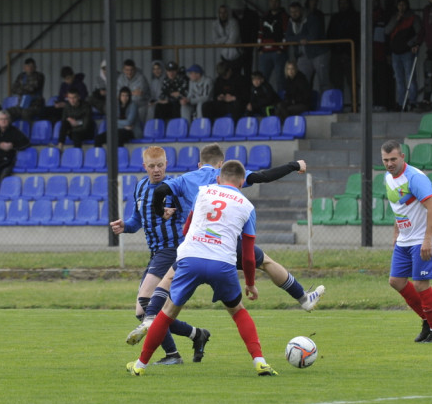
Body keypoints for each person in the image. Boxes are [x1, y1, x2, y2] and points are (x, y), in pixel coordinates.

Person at [127, 143, 324, 345]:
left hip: (195, 247)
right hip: (226, 247)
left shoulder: (185, 179)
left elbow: (159, 190)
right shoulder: (228, 177)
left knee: (169, 278)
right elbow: (264, 176)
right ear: (221, 164)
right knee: (265, 264)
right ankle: (303, 299)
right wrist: (294, 165)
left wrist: (161, 211)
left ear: (199, 163)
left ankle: (151, 318)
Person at [127, 159, 278, 376]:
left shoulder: (204, 192)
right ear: (243, 182)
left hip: (191, 258)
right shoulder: (247, 206)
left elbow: (188, 227)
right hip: (223, 263)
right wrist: (251, 283)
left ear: (218, 179)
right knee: (237, 311)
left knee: (167, 312)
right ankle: (260, 362)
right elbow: (247, 255)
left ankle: (139, 366)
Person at [111, 145, 210, 365]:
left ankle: (172, 355)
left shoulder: (175, 187)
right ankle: (196, 334)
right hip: (156, 252)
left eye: (160, 165)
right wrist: (124, 226)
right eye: (152, 166)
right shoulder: (140, 188)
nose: (156, 170)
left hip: (173, 249)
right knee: (142, 311)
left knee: (147, 302)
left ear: (167, 164)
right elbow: (137, 221)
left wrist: (178, 211)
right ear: (144, 166)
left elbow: (193, 212)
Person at [380, 140, 432, 343]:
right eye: (385, 160)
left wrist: (427, 240)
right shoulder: (388, 178)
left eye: (393, 159)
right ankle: (428, 320)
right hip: (405, 240)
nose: (389, 163)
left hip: (422, 239)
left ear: (402, 157)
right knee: (396, 281)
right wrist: (396, 233)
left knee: (420, 283)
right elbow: (398, 209)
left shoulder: (415, 178)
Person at [384, 0, 422, 110]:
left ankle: (413, 102)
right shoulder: (394, 17)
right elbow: (387, 31)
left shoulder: (413, 18)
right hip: (396, 54)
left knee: (410, 78)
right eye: (399, 5)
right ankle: (401, 103)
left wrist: (411, 44)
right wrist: (396, 20)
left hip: (407, 53)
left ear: (407, 5)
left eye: (403, 4)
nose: (401, 7)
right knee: (399, 80)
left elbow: (419, 33)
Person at [327, 0, 359, 106]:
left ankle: (354, 105)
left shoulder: (355, 17)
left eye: (345, 3)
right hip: (336, 53)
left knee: (352, 81)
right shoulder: (335, 18)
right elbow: (329, 34)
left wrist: (352, 52)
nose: (343, 5)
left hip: (349, 53)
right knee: (336, 81)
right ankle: (338, 105)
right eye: (341, 3)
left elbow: (358, 36)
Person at [0, 110, 30, 180]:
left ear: (9, 120)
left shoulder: (14, 130)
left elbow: (26, 143)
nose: (3, 121)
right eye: (1, 119)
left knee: (3, 173)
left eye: (5, 119)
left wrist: (12, 146)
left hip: (7, 159)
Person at [257, 0, 289, 90]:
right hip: (265, 52)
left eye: (276, 1)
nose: (273, 3)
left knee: (280, 79)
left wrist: (282, 49)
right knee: (262, 79)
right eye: (271, 1)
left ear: (279, 2)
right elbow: (260, 32)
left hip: (278, 52)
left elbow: (286, 33)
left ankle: (281, 102)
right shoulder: (265, 16)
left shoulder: (284, 17)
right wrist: (259, 49)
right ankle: (263, 101)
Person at [303, 0, 331, 94]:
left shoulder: (319, 15)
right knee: (304, 80)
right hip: (306, 52)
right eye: (312, 0)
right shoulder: (302, 13)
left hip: (319, 51)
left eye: (316, 0)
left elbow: (317, 32)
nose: (314, 2)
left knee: (323, 80)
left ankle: (326, 104)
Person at [116, 59, 151, 131]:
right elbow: (118, 95)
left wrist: (125, 95)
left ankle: (139, 132)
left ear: (135, 69)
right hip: (125, 105)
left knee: (138, 108)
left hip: (140, 105)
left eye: (131, 70)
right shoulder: (120, 78)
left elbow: (139, 96)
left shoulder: (141, 78)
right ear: (123, 70)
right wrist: (132, 92)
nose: (129, 72)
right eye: (127, 70)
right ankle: (124, 127)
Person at [212, 4, 242, 74]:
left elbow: (233, 41)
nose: (223, 14)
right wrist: (226, 37)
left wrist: (221, 41)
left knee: (236, 75)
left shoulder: (234, 22)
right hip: (224, 55)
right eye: (220, 12)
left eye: (225, 12)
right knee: (224, 75)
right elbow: (215, 40)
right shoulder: (215, 24)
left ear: (228, 13)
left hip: (236, 55)